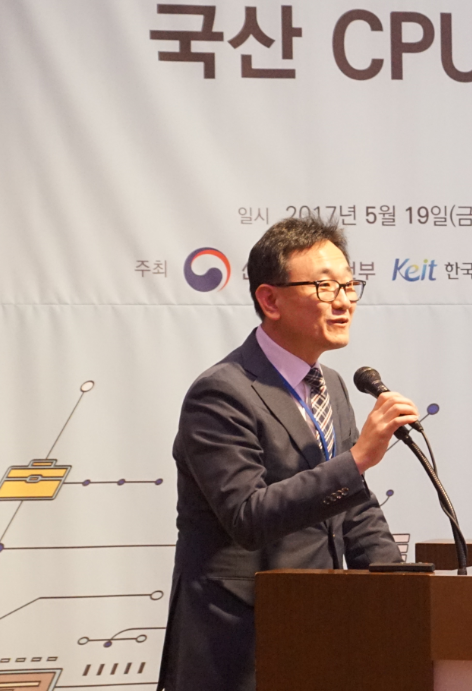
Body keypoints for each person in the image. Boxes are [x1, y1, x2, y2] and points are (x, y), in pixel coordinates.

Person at [157, 217, 418, 691]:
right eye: (324, 286)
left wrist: (403, 592)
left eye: (349, 285)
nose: (343, 301)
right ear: (270, 300)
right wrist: (357, 459)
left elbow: (352, 507)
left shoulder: (331, 385)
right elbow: (247, 516)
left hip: (316, 628)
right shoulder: (222, 392)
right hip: (236, 644)